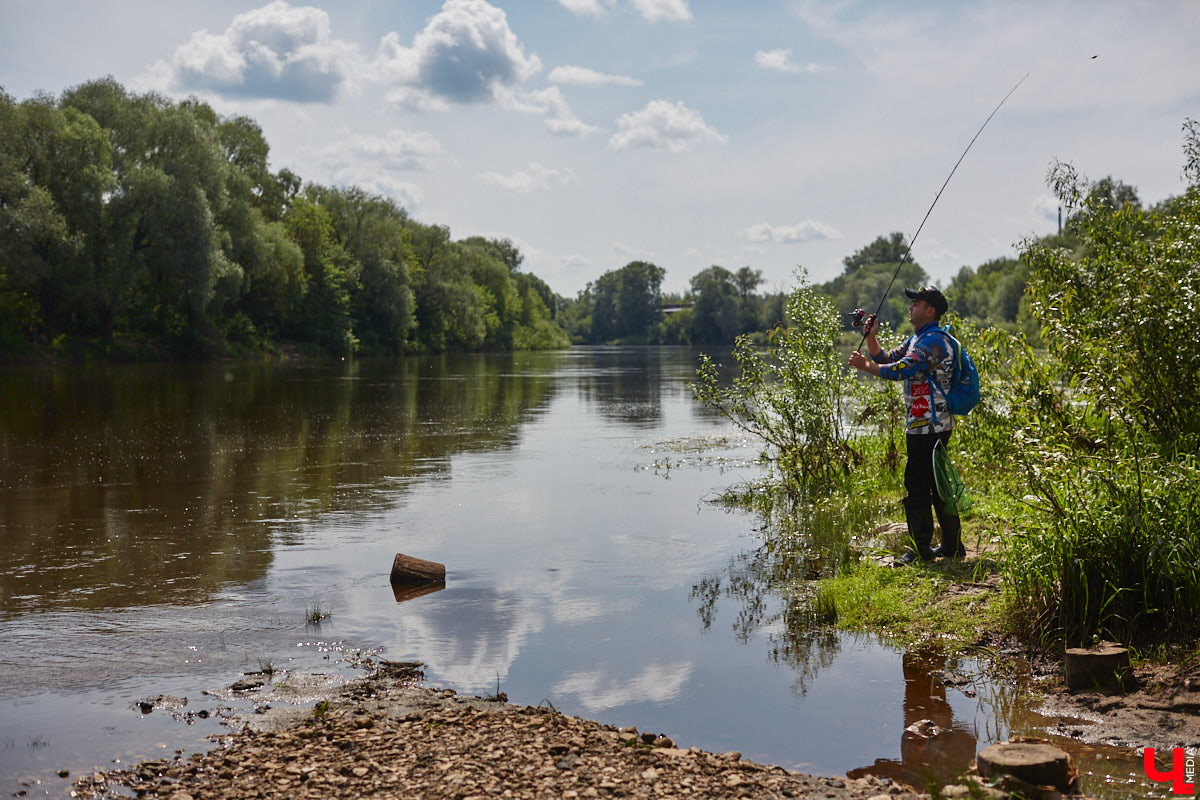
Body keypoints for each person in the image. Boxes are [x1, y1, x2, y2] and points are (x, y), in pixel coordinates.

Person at [847, 287, 964, 564]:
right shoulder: (917, 339)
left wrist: (866, 368)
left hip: (930, 426)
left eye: (917, 303)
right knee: (936, 485)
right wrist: (871, 338)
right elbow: (888, 360)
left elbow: (905, 370)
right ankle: (951, 546)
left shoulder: (934, 342)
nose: (911, 307)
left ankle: (920, 548)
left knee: (918, 485)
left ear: (930, 310)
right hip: (924, 425)